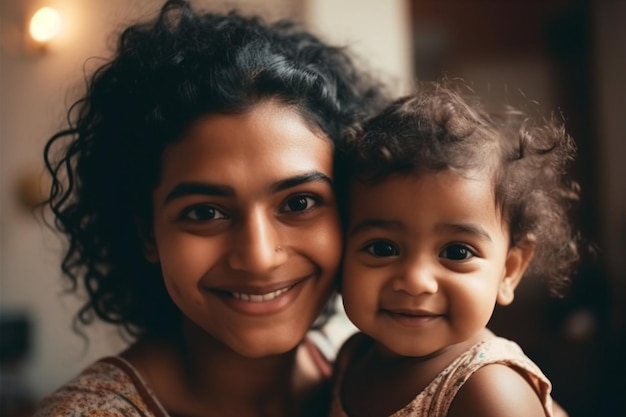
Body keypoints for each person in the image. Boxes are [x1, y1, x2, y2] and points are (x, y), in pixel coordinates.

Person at [34, 0, 387, 416]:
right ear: (148, 231)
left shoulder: (364, 376)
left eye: (299, 203)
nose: (258, 258)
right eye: (205, 213)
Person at [330, 81, 582, 417]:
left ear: (509, 271)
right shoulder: (353, 357)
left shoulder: (489, 391)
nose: (416, 281)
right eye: (382, 248)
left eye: (456, 253)